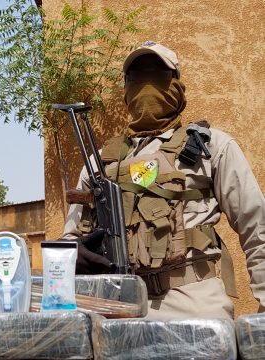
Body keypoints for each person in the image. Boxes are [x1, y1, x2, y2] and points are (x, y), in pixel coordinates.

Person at [62, 41, 265, 320]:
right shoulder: (100, 162)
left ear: (177, 86)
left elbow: (257, 228)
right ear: (126, 90)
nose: (147, 86)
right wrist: (74, 254)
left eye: (158, 75)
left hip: (193, 302)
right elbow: (68, 241)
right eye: (137, 77)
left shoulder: (212, 147)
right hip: (118, 305)